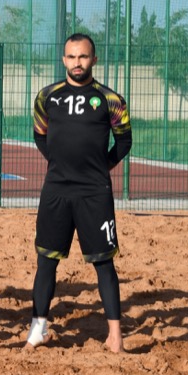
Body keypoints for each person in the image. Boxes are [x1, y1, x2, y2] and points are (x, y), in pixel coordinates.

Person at [27, 33, 131, 354]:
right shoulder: (47, 97)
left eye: (83, 56)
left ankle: (115, 336)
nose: (77, 63)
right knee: (46, 261)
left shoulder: (111, 99)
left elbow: (124, 141)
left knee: (104, 264)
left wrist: (101, 167)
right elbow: (40, 136)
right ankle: (38, 330)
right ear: (63, 60)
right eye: (71, 57)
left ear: (93, 60)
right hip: (56, 190)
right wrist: (59, 164)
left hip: (94, 193)